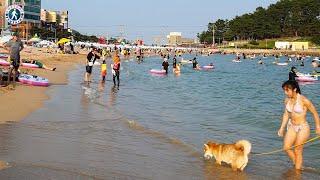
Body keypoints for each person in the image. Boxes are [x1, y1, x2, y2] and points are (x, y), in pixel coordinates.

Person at [278, 80, 320, 170]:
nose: (286, 93)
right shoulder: (287, 101)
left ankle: (297, 172)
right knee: (286, 147)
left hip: (303, 127)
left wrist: (318, 127)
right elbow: (286, 114)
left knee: (297, 150)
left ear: (295, 89)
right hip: (292, 126)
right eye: (284, 90)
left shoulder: (304, 100)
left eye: (287, 90)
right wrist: (282, 128)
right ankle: (297, 163)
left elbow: (315, 113)